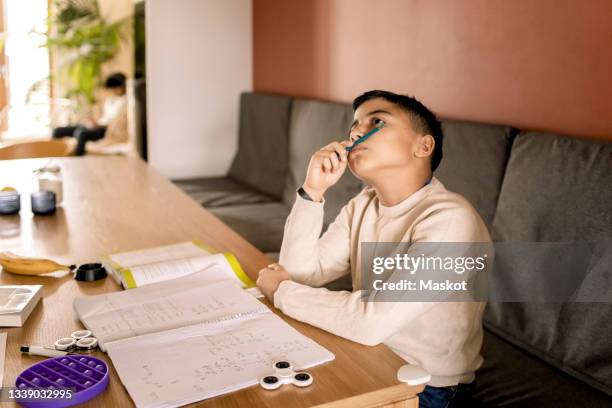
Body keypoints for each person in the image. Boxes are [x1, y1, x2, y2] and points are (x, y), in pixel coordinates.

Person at [256, 90, 492, 407]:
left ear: (423, 146)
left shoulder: (451, 222)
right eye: (354, 126)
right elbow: (302, 273)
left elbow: (370, 323)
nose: (355, 132)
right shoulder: (364, 203)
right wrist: (313, 191)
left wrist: (282, 291)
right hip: (370, 357)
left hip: (427, 389)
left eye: (376, 121)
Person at [52, 73, 127, 155]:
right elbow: (104, 117)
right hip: (97, 124)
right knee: (58, 131)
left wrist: (99, 124)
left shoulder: (127, 101)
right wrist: (92, 121)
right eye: (112, 88)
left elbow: (116, 121)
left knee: (81, 133)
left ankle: (77, 158)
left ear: (123, 86)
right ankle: (53, 156)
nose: (114, 90)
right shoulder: (110, 99)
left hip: (105, 129)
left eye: (116, 88)